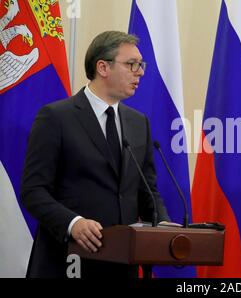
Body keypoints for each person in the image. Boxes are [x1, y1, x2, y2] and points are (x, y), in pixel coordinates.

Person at [21, 31, 171, 278]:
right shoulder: (56, 117)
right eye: (132, 64)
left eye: (141, 65)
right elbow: (33, 190)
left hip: (123, 264)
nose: (140, 72)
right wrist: (73, 223)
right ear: (103, 67)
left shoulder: (138, 123)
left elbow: (147, 190)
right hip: (70, 260)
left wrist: (163, 224)